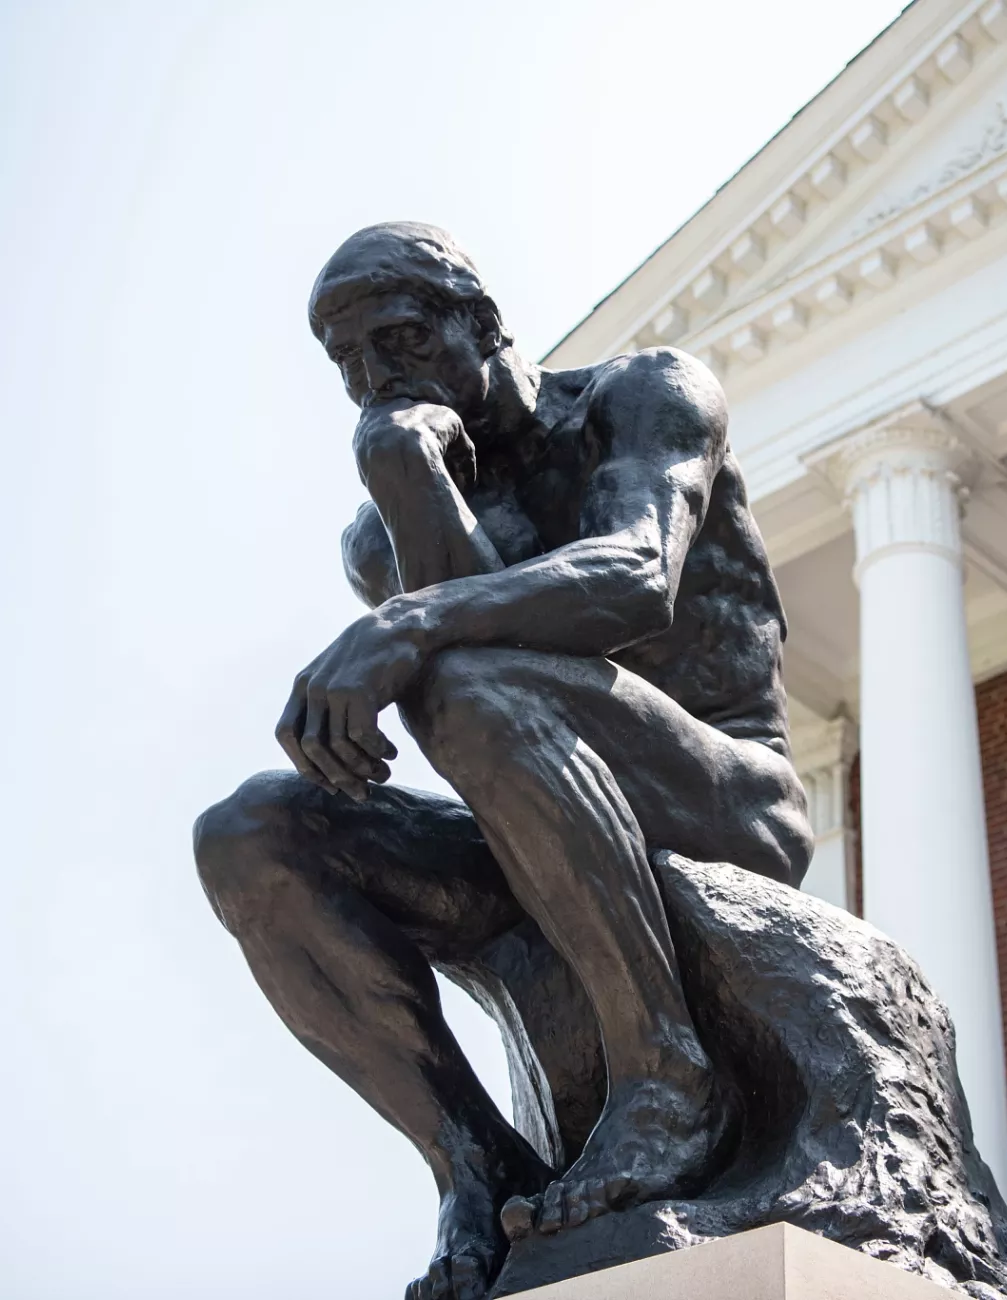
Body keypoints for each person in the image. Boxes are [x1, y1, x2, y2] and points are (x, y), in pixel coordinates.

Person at [193, 223, 812, 1300]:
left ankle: (666, 1074)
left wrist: (410, 626)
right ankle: (473, 1166)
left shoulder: (642, 395)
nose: (379, 380)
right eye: (350, 369)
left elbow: (634, 576)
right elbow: (461, 643)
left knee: (464, 677)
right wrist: (396, 462)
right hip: (531, 827)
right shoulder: (385, 521)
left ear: (478, 321)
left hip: (721, 796)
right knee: (250, 833)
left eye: (398, 340)